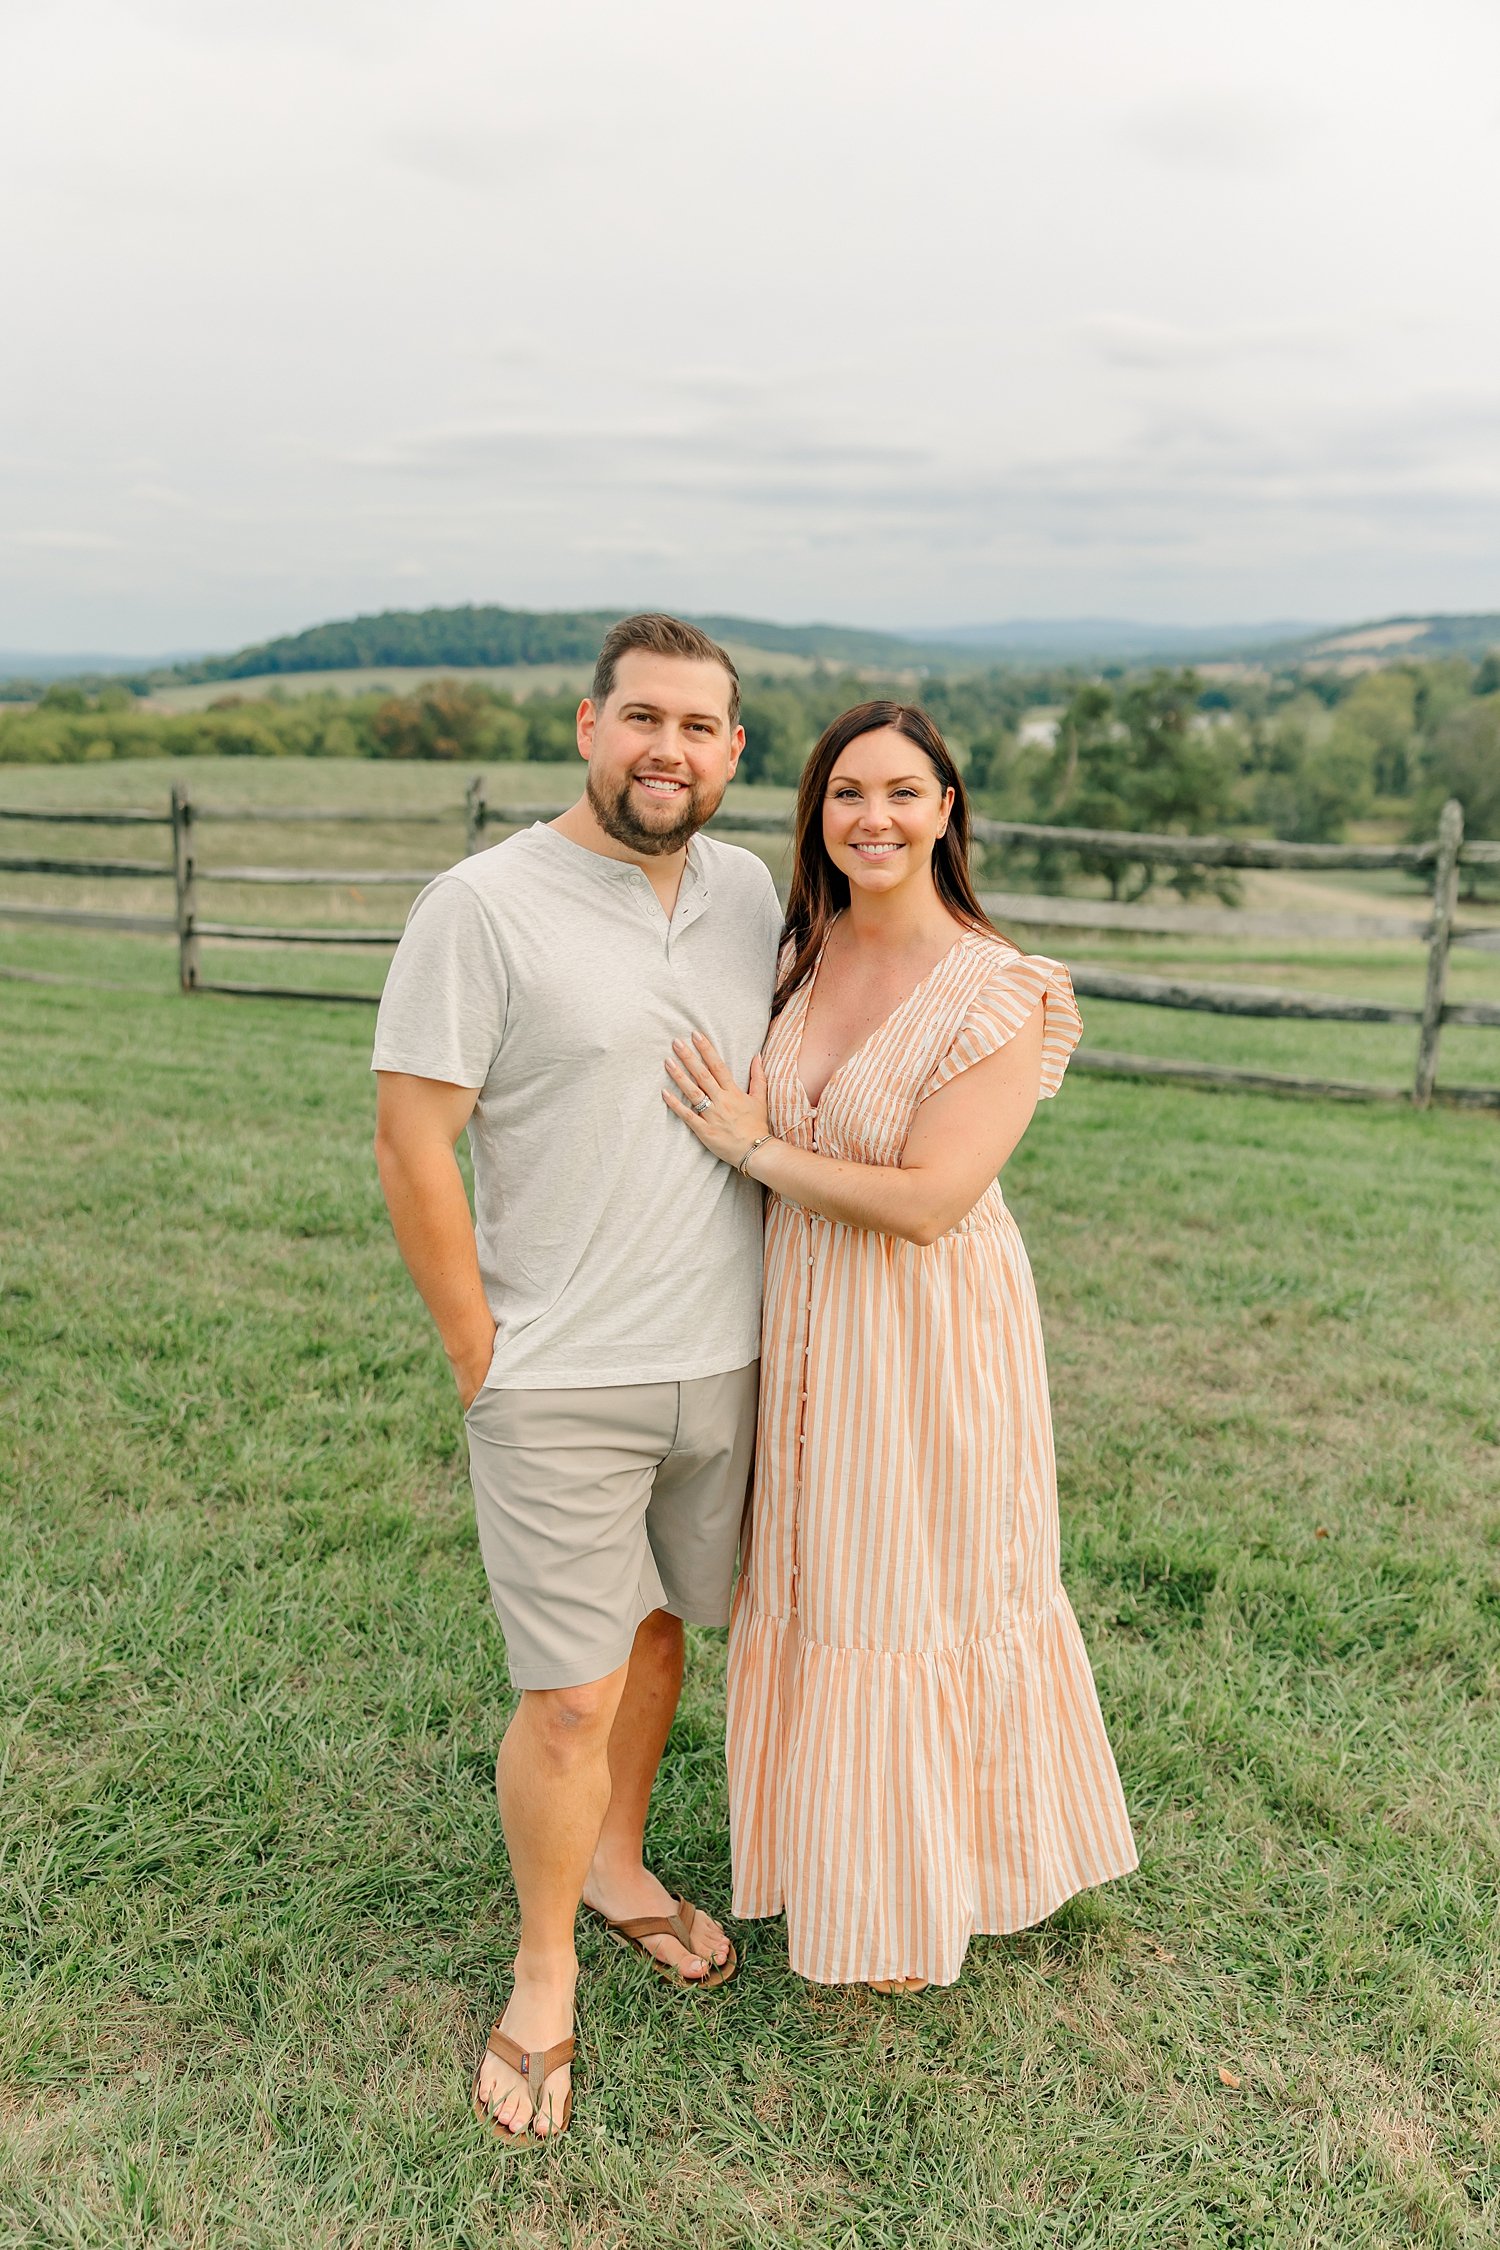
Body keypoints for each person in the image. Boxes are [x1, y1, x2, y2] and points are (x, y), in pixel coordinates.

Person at [372, 615, 783, 2141]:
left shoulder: (747, 893)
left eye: (701, 725)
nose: (668, 750)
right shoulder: (481, 906)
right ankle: (544, 1966)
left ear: (735, 751)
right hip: (558, 1376)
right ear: (588, 726)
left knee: (664, 1636)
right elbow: (413, 1137)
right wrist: (485, 1352)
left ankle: (619, 1865)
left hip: (728, 1359)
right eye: (643, 718)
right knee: (567, 1695)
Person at [663, 700, 1138, 1990]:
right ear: (817, 815)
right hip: (805, 1316)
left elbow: (933, 1200)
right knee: (818, 1590)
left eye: (903, 794)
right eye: (846, 795)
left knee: (907, 1597)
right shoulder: (796, 955)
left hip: (925, 1335)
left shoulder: (1004, 990)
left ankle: (918, 1897)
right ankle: (835, 1864)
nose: (873, 819)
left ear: (946, 814)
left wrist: (759, 1149)